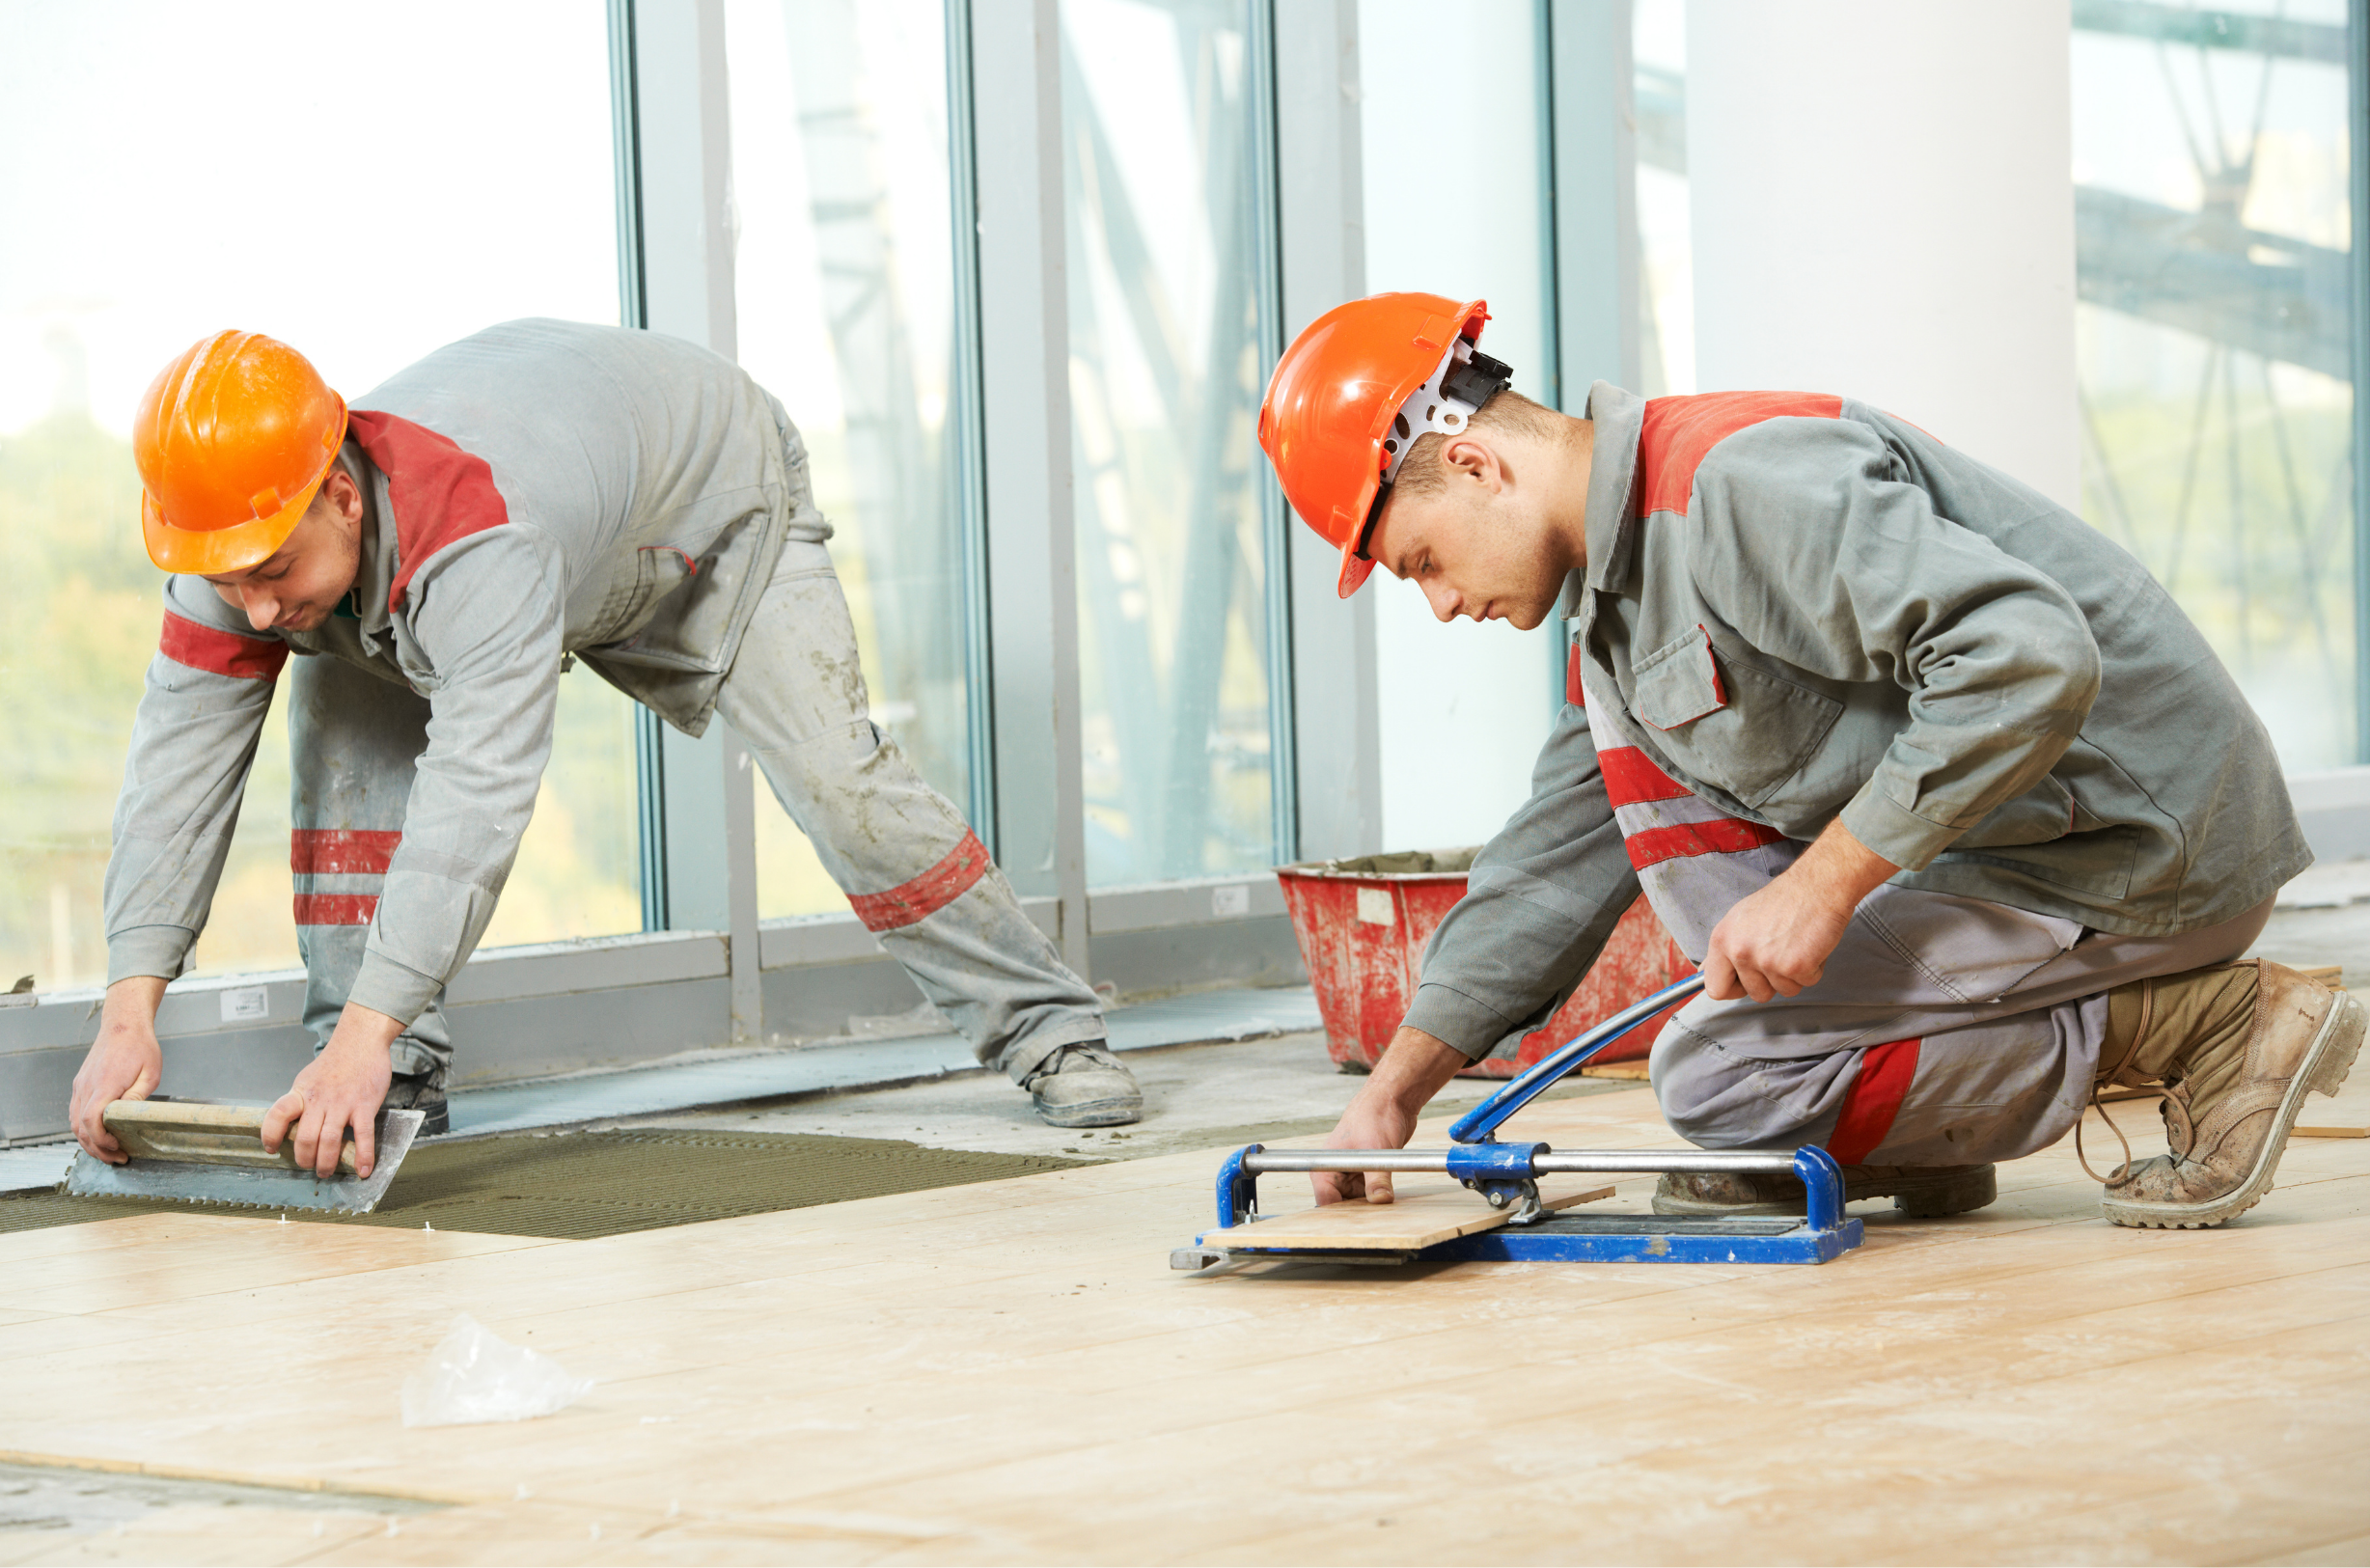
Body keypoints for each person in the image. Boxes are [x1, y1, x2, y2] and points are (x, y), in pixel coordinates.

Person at [1258, 290, 2360, 1230]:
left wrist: (1822, 886)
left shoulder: (1738, 481)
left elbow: (2024, 654)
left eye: (1421, 563)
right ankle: (1914, 1133)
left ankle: (2214, 1023)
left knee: (1721, 1072)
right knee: (1646, 835)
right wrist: (1392, 1095)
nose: (1443, 605)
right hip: (2024, 861)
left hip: (2137, 851)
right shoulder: (1616, 617)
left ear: (1473, 461)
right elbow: (1552, 858)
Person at [70, 320, 1141, 1177]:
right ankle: (392, 1068)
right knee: (345, 758)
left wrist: (349, 1035)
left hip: (706, 509)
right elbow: (175, 776)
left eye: (271, 571)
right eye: (231, 582)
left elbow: (474, 804)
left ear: (340, 491)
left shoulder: (478, 534)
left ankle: (1050, 1029)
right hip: (538, 515)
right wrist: (128, 1012)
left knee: (838, 780)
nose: (253, 611)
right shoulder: (235, 541)